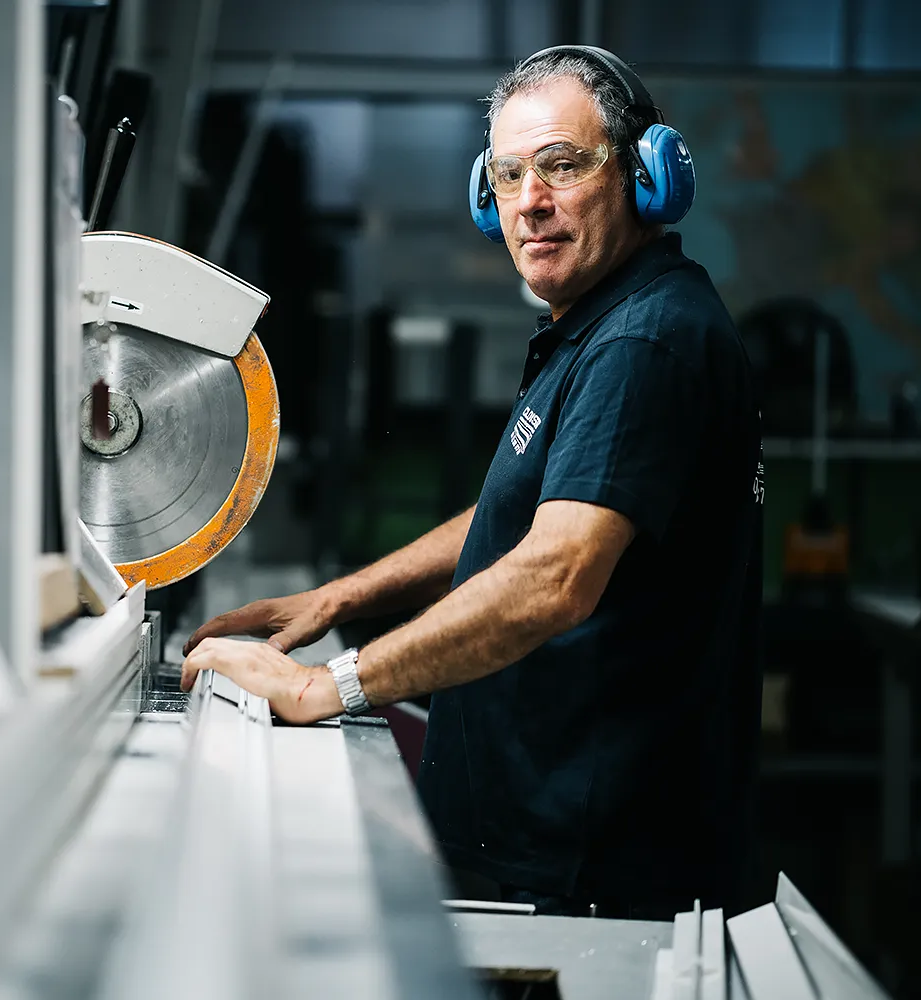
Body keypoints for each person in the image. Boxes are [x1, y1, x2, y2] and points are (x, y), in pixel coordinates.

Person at [179, 46, 763, 918]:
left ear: (647, 174)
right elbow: (522, 518)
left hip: (609, 867)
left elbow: (556, 575)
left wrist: (321, 686)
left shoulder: (645, 342)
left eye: (563, 165)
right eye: (508, 173)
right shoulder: (600, 326)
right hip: (568, 844)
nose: (529, 201)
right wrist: (337, 600)